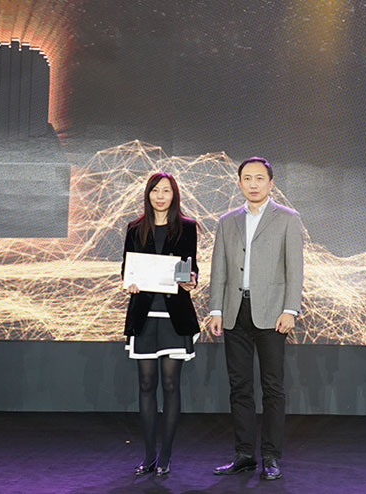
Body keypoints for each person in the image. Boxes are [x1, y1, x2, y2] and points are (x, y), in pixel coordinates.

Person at [209, 157, 304, 481]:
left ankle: (271, 457)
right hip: (234, 311)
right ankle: (245, 454)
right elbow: (219, 268)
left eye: (259, 178)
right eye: (247, 178)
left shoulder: (288, 218)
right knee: (239, 387)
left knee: (272, 387)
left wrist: (290, 309)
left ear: (270, 183)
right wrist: (216, 310)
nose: (253, 184)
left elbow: (295, 269)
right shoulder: (227, 221)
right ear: (239, 183)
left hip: (272, 313)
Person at [121, 172, 200, 477]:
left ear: (174, 195)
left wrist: (191, 281)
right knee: (145, 384)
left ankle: (165, 455)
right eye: (155, 190)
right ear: (148, 194)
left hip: (174, 316)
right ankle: (148, 456)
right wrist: (129, 282)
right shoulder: (134, 228)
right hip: (144, 315)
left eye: (166, 191)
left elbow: (192, 269)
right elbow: (127, 269)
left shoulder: (188, 227)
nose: (160, 196)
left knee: (170, 384)